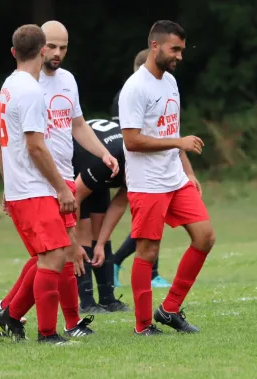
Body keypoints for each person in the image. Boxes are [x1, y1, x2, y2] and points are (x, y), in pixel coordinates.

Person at [0, 21, 119, 339]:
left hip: (52, 181)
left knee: (60, 254)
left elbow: (77, 124)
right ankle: (40, 327)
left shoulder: (20, 84)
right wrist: (49, 185)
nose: (57, 53)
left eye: (64, 47)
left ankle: (23, 316)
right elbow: (30, 144)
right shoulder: (29, 89)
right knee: (56, 255)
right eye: (52, 46)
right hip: (41, 184)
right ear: (42, 48)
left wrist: (102, 154)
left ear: (15, 51)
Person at [119, 20, 215, 336]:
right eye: (175, 49)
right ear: (155, 46)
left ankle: (169, 310)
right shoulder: (135, 87)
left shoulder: (170, 82)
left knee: (205, 237)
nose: (180, 56)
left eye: (182, 50)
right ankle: (143, 325)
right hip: (147, 184)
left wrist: (188, 172)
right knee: (147, 253)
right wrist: (178, 143)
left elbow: (171, 132)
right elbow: (132, 140)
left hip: (175, 179)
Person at [111, 48, 171, 289]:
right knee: (147, 224)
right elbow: (124, 137)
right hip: (136, 165)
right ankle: (121, 263)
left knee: (152, 222)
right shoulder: (128, 93)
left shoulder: (160, 89)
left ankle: (150, 271)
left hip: (157, 165)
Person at [72, 118, 130, 313]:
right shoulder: (107, 162)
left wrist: (101, 244)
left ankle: (108, 299)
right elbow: (75, 197)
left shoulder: (141, 165)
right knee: (84, 233)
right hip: (80, 165)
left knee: (100, 233)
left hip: (102, 168)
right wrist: (73, 241)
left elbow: (120, 203)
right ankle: (87, 302)